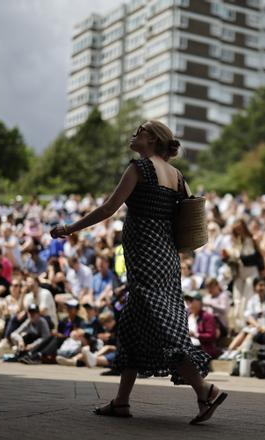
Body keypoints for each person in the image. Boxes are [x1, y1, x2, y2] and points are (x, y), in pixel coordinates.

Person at [51, 120, 226, 424]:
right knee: (133, 325)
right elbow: (188, 216)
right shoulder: (178, 176)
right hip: (167, 259)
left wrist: (69, 228)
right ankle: (121, 402)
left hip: (146, 258)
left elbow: (108, 209)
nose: (134, 134)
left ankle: (204, 389)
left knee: (164, 327)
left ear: (153, 139)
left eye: (140, 131)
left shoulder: (139, 168)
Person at [185, 291, 220, 359]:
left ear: (199, 302)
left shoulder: (207, 316)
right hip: (187, 348)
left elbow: (211, 336)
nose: (189, 303)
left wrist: (195, 335)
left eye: (192, 300)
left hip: (201, 349)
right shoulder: (186, 316)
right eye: (188, 301)